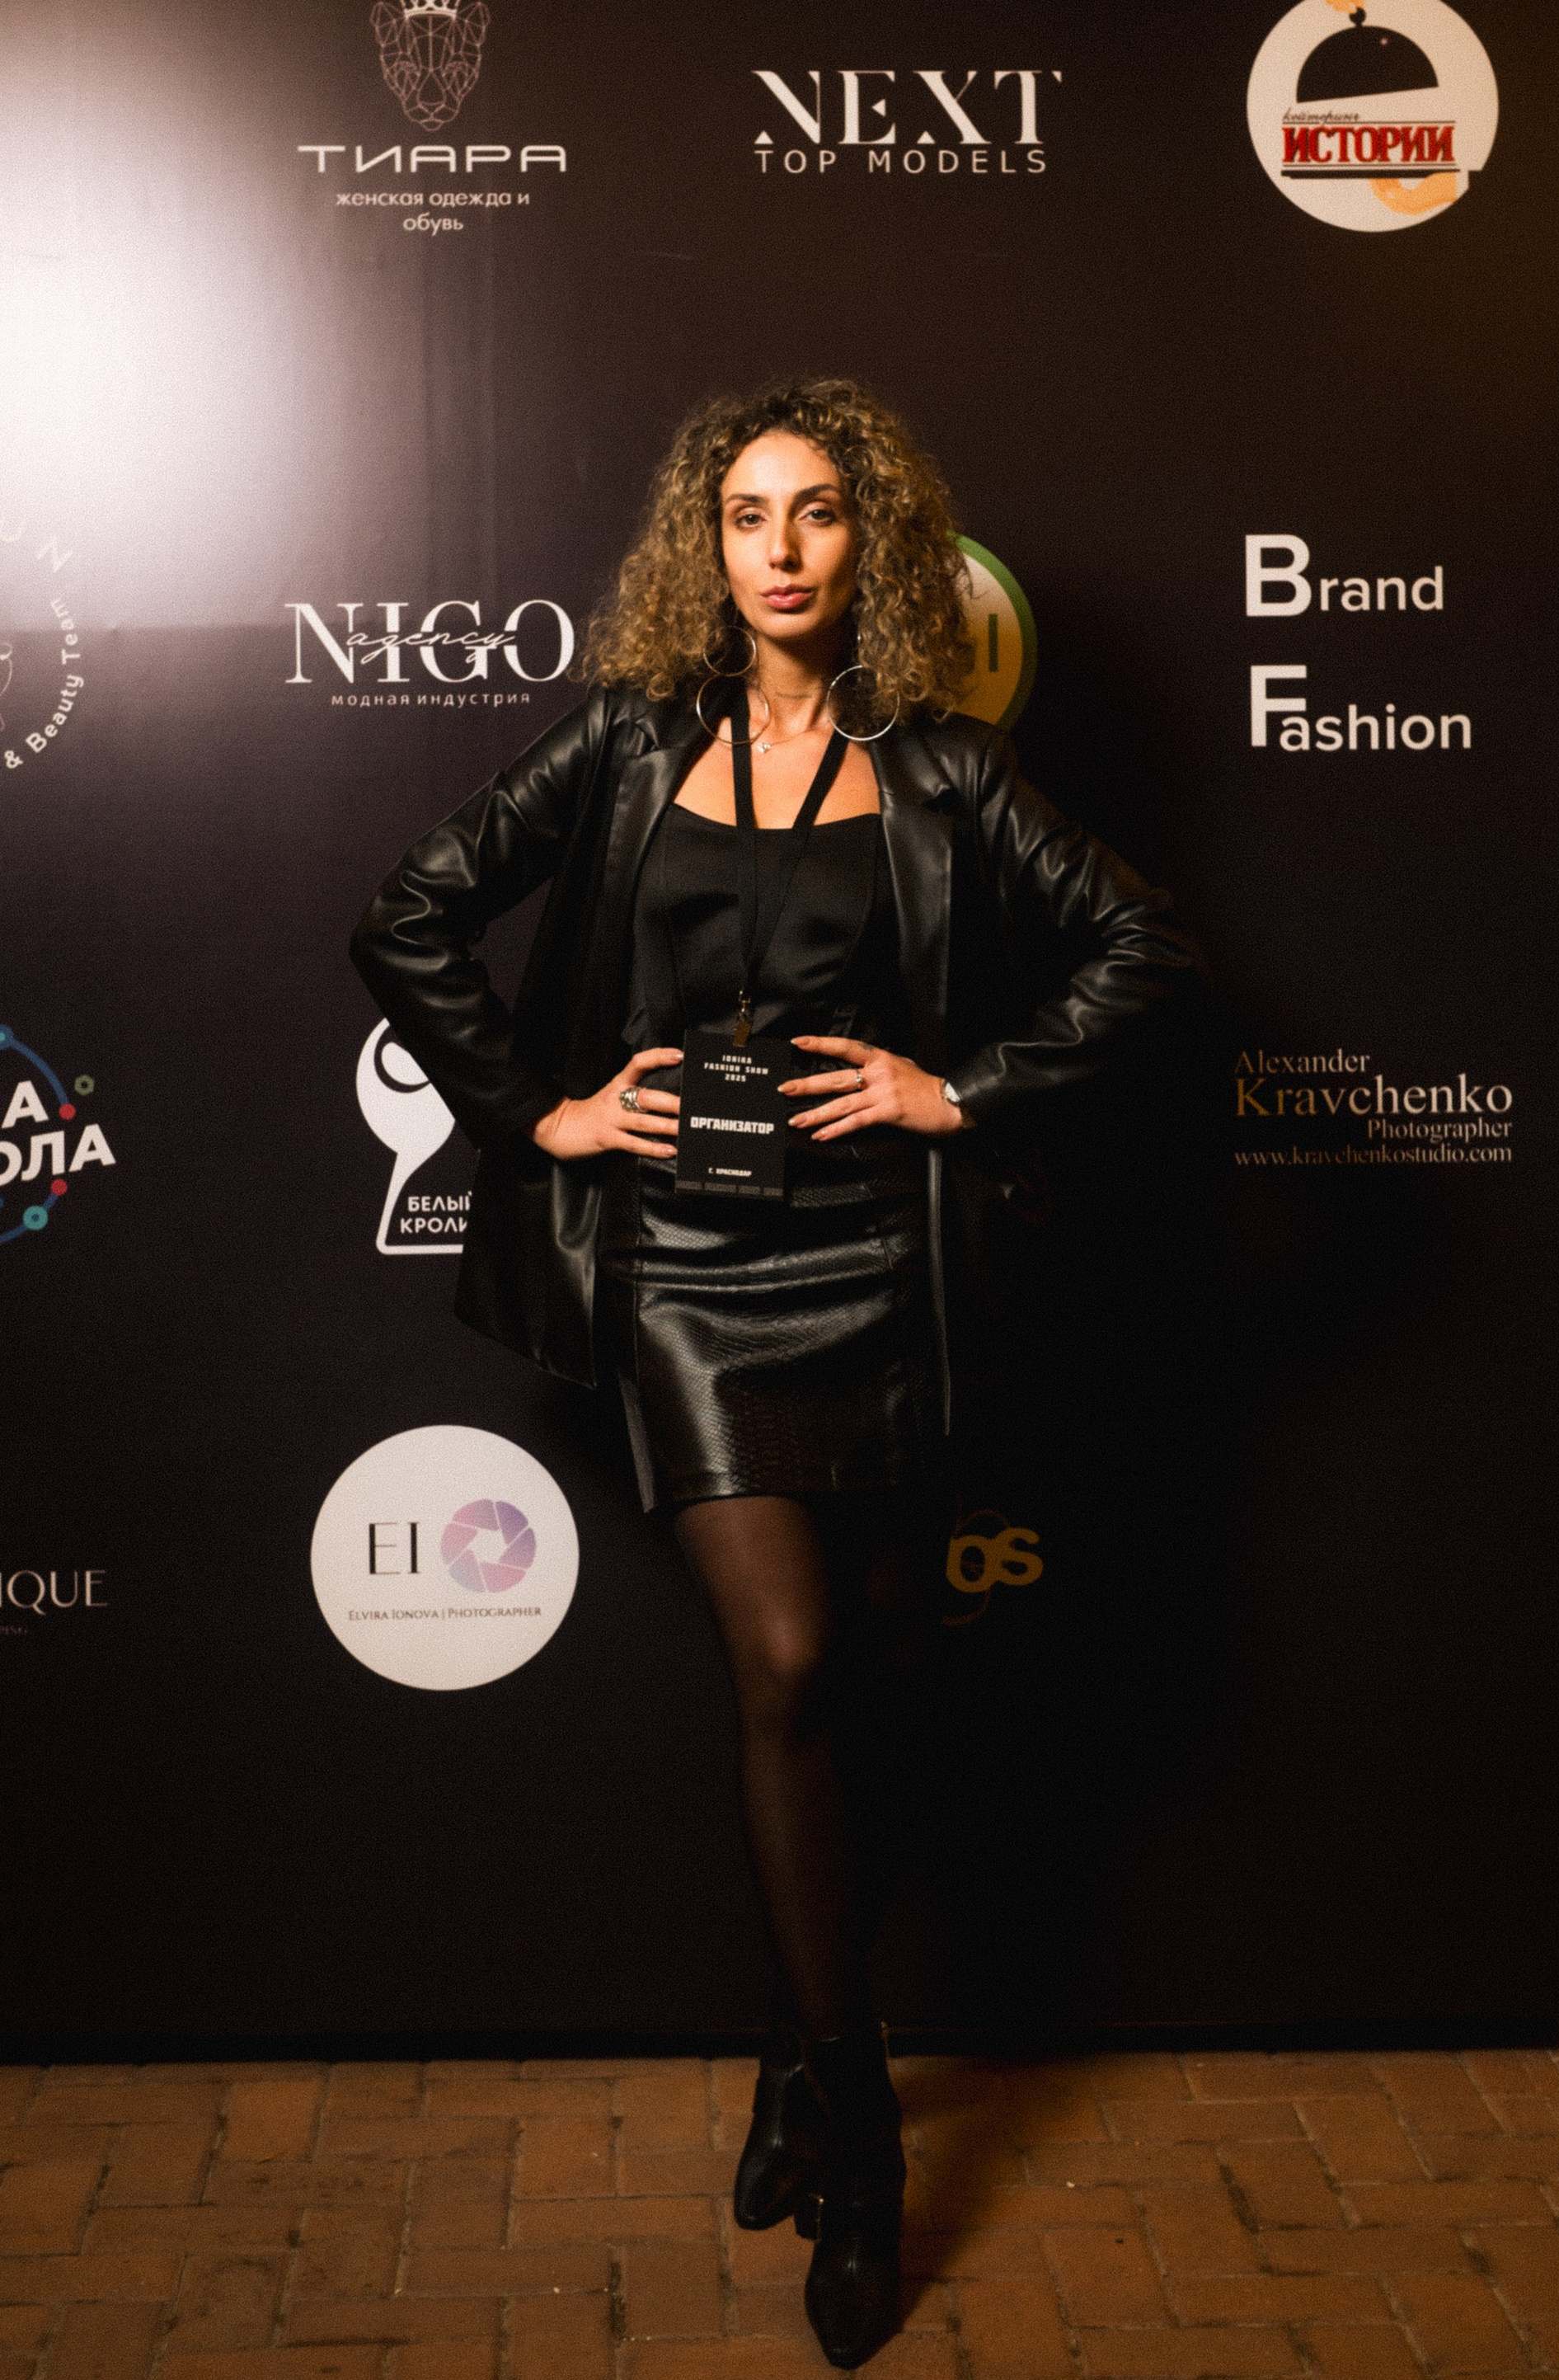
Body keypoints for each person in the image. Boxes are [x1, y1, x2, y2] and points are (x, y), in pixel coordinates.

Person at [351, 378, 1196, 2368]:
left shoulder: (942, 767)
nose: (783, 549)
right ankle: (866, 2130)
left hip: (881, 1265)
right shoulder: (632, 739)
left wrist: (956, 1088)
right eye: (747, 514)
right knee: (796, 1662)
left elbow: (1148, 952)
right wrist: (543, 1113)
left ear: (867, 540)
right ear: (706, 544)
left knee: (877, 1674)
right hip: (688, 1271)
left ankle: (794, 2049)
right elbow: (410, 913)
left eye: (817, 512)